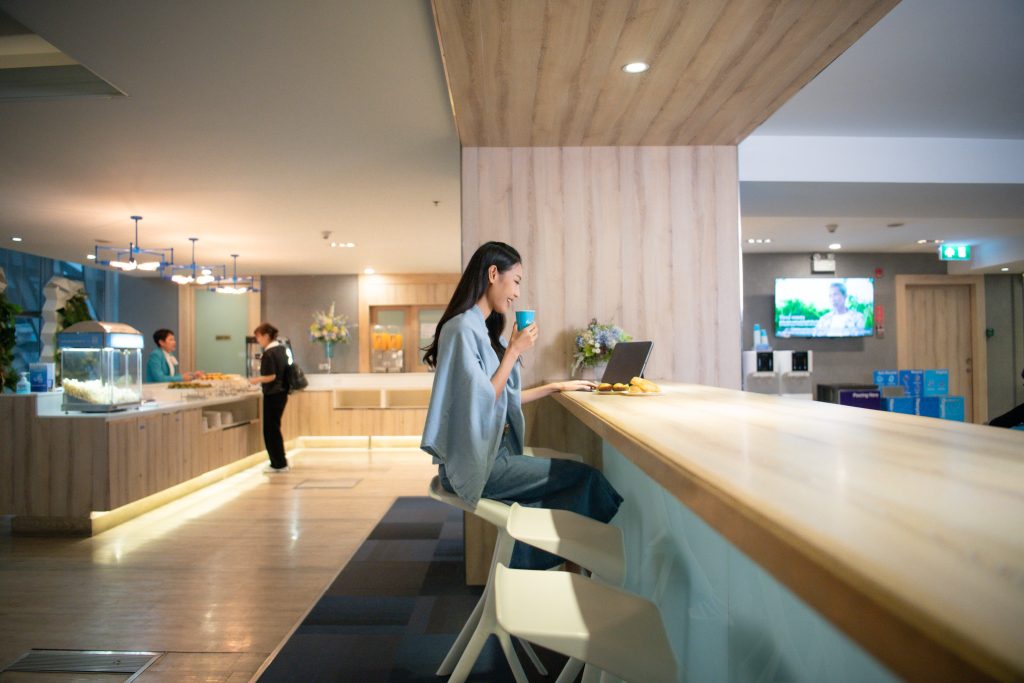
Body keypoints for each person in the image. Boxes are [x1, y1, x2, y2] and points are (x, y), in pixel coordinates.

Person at [421, 241, 623, 569]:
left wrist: (556, 387)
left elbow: (502, 398)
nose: (516, 293)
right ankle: (544, 563)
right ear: (492, 274)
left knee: (576, 486)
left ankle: (535, 561)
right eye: (515, 281)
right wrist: (514, 351)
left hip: (492, 454)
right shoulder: (460, 329)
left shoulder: (483, 331)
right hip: (477, 463)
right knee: (587, 480)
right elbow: (483, 400)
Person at [249, 322, 291, 473]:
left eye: (259, 337)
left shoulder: (269, 353)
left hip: (272, 394)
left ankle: (278, 464)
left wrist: (255, 380)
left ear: (266, 336)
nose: (258, 340)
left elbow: (271, 376)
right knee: (275, 428)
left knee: (270, 430)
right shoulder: (281, 349)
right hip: (282, 393)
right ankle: (280, 461)